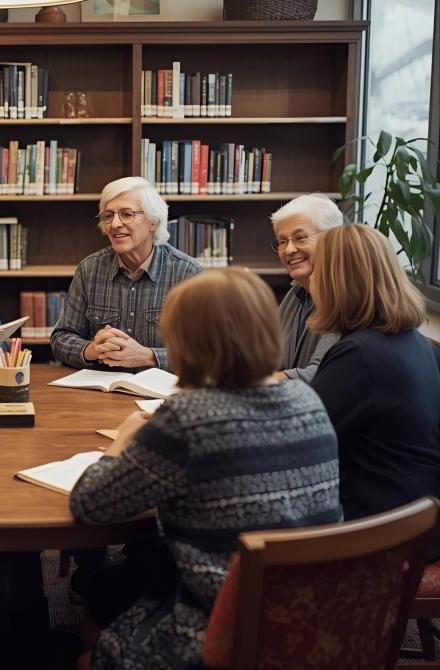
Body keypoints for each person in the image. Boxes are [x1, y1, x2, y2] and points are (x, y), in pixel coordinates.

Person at [70, 267, 341, 670]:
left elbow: (90, 505)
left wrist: (121, 442)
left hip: (219, 630)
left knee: (103, 600)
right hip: (309, 619)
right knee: (119, 581)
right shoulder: (308, 399)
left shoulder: (189, 417)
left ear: (187, 340)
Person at [308, 223, 440, 522]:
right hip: (416, 521)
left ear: (335, 281)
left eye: (316, 269)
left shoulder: (359, 355)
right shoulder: (417, 343)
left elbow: (304, 440)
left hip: (376, 533)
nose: (310, 279)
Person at [50, 176, 201, 373]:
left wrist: (148, 356)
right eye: (108, 216)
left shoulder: (188, 274)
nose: (115, 224)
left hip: (160, 396)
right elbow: (61, 338)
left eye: (126, 214)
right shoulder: (90, 269)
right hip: (104, 395)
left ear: (153, 221)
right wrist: (92, 350)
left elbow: (206, 352)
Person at [270, 193, 343, 382]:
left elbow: (319, 375)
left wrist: (252, 383)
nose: (289, 250)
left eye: (300, 238)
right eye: (282, 241)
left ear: (331, 239)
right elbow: (271, 355)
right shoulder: (295, 293)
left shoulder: (344, 299)